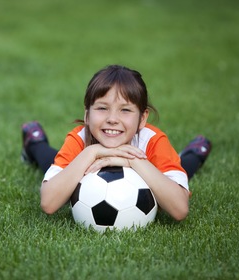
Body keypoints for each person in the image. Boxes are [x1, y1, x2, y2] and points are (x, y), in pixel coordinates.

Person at [21, 65, 211, 221]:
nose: (112, 119)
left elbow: (179, 210)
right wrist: (92, 152)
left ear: (143, 118)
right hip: (83, 154)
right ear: (87, 114)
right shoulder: (80, 139)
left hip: (150, 163)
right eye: (102, 108)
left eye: (125, 110)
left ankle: (195, 153)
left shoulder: (152, 141)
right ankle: (34, 142)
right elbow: (49, 203)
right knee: (52, 163)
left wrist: (134, 161)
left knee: (178, 170)